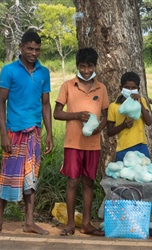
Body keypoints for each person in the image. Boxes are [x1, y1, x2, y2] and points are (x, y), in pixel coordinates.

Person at [0, 31, 53, 235]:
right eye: (30, 48)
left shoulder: (43, 72)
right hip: (14, 133)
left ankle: (29, 222)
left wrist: (49, 134)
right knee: (7, 176)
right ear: (21, 47)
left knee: (31, 177)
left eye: (37, 49)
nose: (33, 53)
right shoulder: (9, 70)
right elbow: (1, 103)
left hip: (34, 134)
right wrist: (3, 134)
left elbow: (46, 104)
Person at [53, 47, 109, 236]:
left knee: (89, 182)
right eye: (82, 66)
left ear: (95, 66)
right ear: (77, 66)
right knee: (72, 182)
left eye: (90, 66)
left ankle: (86, 223)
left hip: (93, 144)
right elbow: (57, 113)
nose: (86, 70)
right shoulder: (68, 86)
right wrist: (77, 115)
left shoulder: (101, 88)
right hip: (73, 143)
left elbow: (106, 116)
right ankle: (70, 224)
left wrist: (98, 129)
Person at [107, 71, 152, 162]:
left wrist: (140, 103)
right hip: (123, 149)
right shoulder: (114, 106)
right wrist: (123, 125)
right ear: (121, 88)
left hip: (141, 147)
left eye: (133, 88)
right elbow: (109, 132)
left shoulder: (141, 101)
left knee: (143, 173)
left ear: (138, 89)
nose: (130, 90)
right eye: (127, 87)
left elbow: (148, 122)